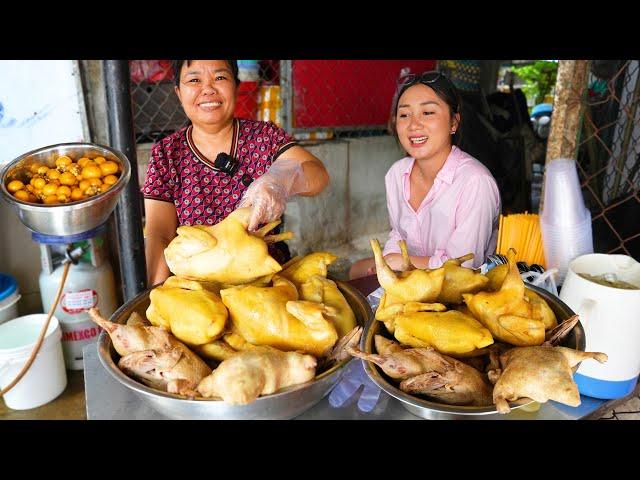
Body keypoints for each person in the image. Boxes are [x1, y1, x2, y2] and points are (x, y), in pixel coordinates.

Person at [142, 60, 329, 286]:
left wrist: (282, 178)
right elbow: (159, 234)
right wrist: (154, 294)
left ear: (236, 86)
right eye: (194, 80)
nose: (208, 89)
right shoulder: (167, 154)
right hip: (198, 286)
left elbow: (318, 174)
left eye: (220, 78)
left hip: (267, 278)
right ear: (179, 93)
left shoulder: (264, 137)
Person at [349, 71, 500, 279]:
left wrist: (403, 262)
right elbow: (399, 235)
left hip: (459, 293)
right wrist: (388, 262)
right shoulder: (396, 174)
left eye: (428, 113)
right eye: (404, 115)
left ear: (454, 122)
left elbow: (463, 268)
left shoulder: (475, 182)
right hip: (413, 282)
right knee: (355, 270)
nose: (413, 125)